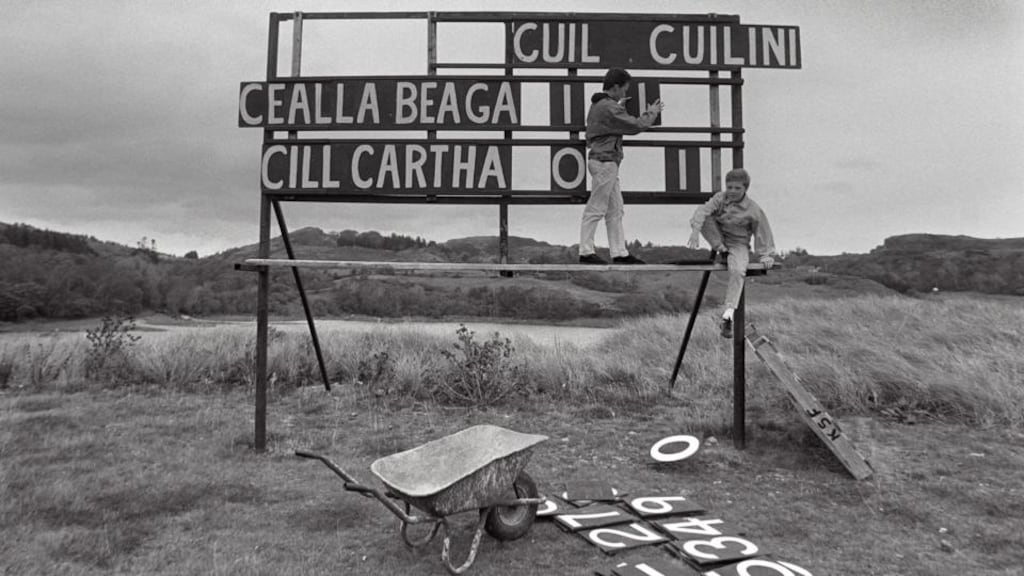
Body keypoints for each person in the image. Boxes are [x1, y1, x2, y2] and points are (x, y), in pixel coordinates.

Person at [579, 68, 665, 265]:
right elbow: (636, 126)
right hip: (606, 162)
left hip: (603, 161)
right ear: (616, 87)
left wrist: (619, 107)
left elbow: (612, 121)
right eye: (624, 89)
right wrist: (652, 112)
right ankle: (585, 251)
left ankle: (619, 252)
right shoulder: (609, 107)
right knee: (597, 207)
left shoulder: (600, 105)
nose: (625, 93)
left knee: (615, 209)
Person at [687, 168, 776, 338]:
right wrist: (695, 231)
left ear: (745, 189)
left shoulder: (753, 209)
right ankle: (722, 250)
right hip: (719, 238)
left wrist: (766, 254)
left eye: (737, 188)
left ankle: (728, 315)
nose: (732, 191)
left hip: (738, 243)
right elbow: (702, 211)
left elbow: (762, 231)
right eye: (729, 187)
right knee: (701, 216)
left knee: (737, 271)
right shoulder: (720, 198)